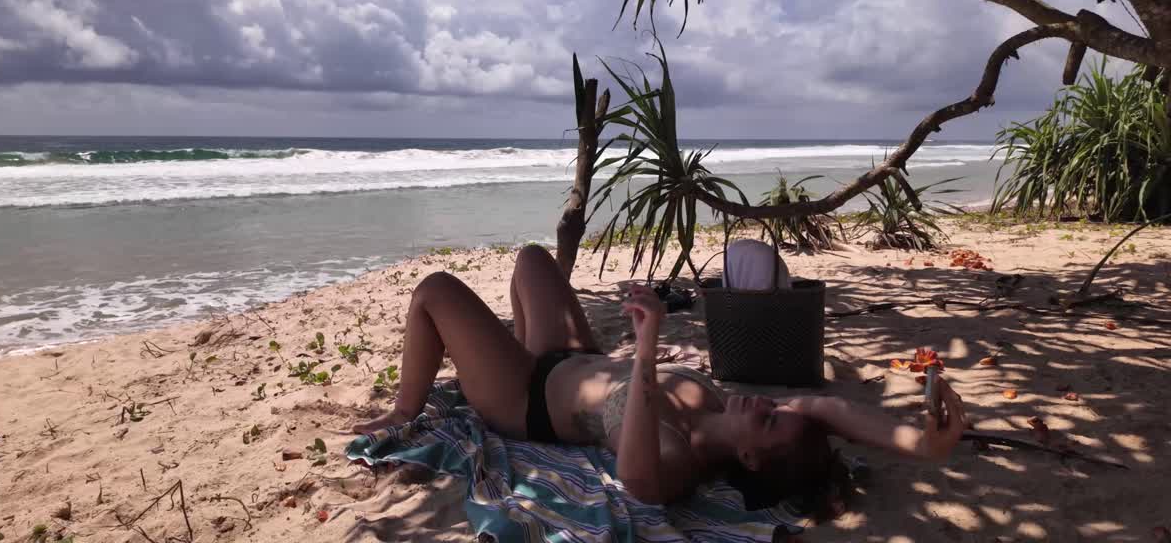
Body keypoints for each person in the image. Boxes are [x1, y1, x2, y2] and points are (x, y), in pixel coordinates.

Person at [356, 244, 969, 507]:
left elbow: (638, 481)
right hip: (567, 355)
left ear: (752, 459)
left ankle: (407, 409)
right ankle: (501, 346)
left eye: (774, 421)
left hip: (524, 398)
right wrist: (925, 443)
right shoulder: (724, 403)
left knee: (435, 290)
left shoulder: (676, 457)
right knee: (531, 260)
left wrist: (647, 347)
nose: (772, 406)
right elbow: (834, 414)